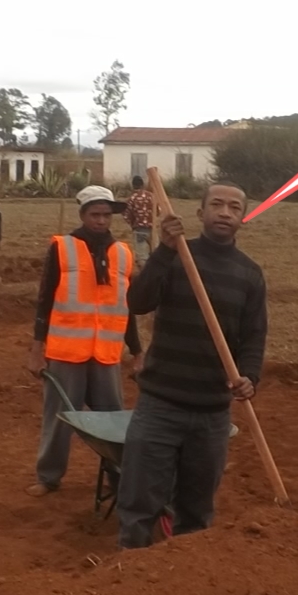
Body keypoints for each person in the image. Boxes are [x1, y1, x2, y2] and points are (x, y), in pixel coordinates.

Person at [116, 181, 266, 549]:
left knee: (197, 513)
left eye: (234, 207)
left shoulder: (250, 274)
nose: (225, 213)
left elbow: (253, 339)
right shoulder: (177, 256)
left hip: (212, 415)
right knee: (139, 506)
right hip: (160, 407)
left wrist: (249, 377)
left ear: (243, 218)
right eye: (217, 205)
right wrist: (164, 252)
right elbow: (138, 301)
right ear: (201, 214)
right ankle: (127, 578)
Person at [27, 186, 143, 496]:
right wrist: (37, 351)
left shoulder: (123, 253)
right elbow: (45, 301)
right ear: (83, 215)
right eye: (95, 214)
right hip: (67, 352)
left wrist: (138, 351)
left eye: (107, 215)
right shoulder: (62, 248)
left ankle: (119, 478)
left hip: (106, 353)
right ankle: (48, 477)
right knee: (60, 417)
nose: (102, 221)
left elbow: (127, 308)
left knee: (113, 421)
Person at [125, 176, 156, 264]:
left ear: (133, 185)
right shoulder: (151, 196)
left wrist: (132, 223)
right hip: (152, 229)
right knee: (156, 254)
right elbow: (158, 211)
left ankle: (145, 275)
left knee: (142, 258)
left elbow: (126, 215)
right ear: (143, 185)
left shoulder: (131, 198)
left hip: (139, 229)